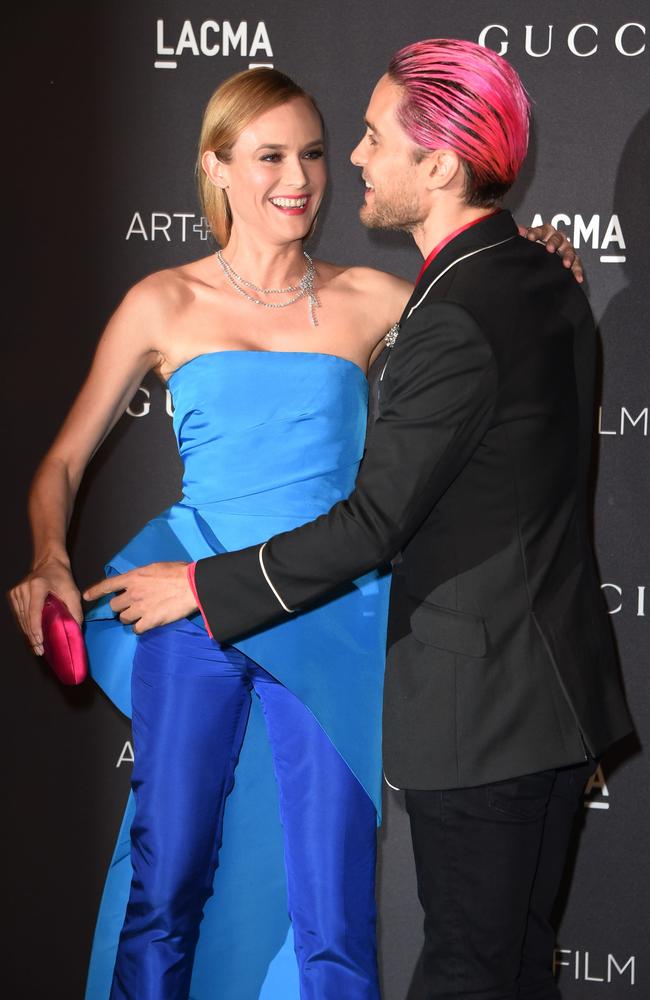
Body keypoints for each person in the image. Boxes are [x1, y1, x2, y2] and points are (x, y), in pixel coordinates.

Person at [11, 66, 578, 1000]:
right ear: (217, 166)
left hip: (332, 613)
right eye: (271, 155)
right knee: (167, 884)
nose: (302, 177)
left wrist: (535, 257)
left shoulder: (376, 297)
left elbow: (486, 301)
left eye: (315, 152)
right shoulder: (164, 302)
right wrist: (47, 558)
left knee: (336, 909)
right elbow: (64, 462)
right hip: (187, 605)